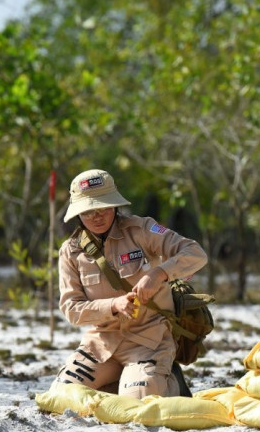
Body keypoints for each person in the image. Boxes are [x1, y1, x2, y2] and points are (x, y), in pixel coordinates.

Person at [54, 168, 208, 399]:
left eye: (103, 208)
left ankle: (166, 381)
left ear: (115, 206)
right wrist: (114, 305)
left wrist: (159, 274)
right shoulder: (71, 251)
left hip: (149, 340)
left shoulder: (142, 230)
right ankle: (127, 381)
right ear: (78, 214)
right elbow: (71, 310)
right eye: (88, 211)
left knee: (139, 398)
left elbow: (195, 253)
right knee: (61, 396)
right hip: (101, 344)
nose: (96, 216)